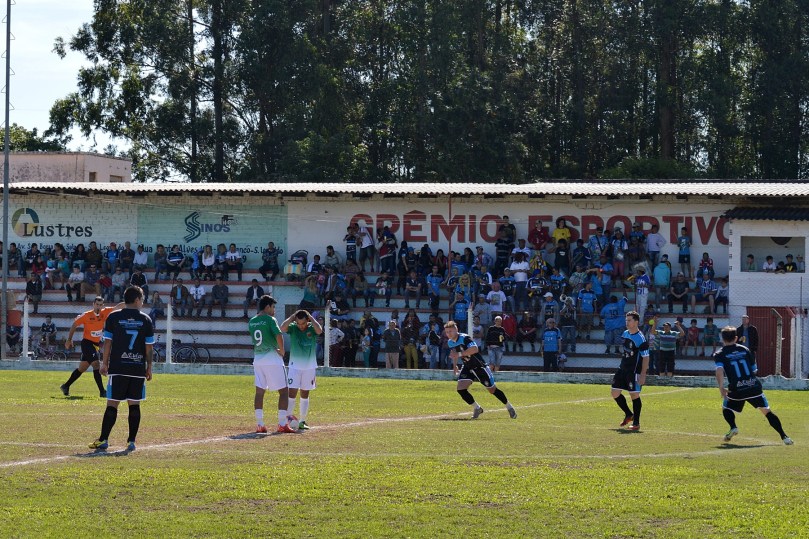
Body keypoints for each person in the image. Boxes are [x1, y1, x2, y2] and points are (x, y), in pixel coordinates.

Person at [88, 286, 154, 452]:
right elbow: (149, 348)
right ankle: (131, 441)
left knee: (112, 404)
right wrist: (149, 367)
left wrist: (104, 363)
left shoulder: (114, 317)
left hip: (118, 367)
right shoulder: (146, 319)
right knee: (134, 405)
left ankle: (103, 439)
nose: (143, 302)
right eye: (142, 299)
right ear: (137, 300)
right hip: (137, 367)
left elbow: (107, 342)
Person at [714, 326, 793, 445]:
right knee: (767, 411)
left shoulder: (719, 354)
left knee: (726, 408)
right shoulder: (745, 350)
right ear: (736, 338)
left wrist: (721, 387)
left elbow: (719, 370)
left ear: (722, 339)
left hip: (737, 388)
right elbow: (754, 370)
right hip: (753, 386)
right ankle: (784, 437)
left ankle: (733, 427)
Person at [446, 320, 517, 420]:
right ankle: (477, 408)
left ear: (456, 330)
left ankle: (509, 407)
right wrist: (454, 365)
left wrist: (459, 354)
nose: (449, 334)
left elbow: (475, 349)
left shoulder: (464, 338)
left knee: (492, 390)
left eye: (451, 331)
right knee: (461, 389)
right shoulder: (450, 342)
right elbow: (454, 353)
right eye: (447, 332)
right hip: (468, 367)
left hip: (479, 366)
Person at [61, 297, 123, 397]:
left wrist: (129, 302)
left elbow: (117, 307)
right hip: (87, 344)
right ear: (93, 304)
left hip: (95, 345)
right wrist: (69, 339)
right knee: (96, 364)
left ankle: (66, 386)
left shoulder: (104, 312)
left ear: (102, 305)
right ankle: (102, 391)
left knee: (82, 369)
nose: (98, 307)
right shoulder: (86, 315)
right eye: (97, 304)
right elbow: (74, 325)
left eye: (100, 305)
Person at [248, 295, 293, 433]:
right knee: (284, 392)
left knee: (259, 392)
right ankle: (282, 423)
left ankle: (260, 424)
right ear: (267, 306)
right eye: (273, 307)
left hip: (258, 359)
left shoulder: (252, 321)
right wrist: (282, 350)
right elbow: (278, 335)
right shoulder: (270, 319)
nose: (274, 310)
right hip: (272, 358)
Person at [281, 310, 323, 430]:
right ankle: (288, 419)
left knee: (305, 393)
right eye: (298, 323)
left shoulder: (311, 328)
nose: (301, 326)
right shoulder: (293, 328)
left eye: (303, 323)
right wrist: (291, 317)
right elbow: (282, 328)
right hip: (294, 367)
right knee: (292, 393)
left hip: (309, 367)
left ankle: (302, 420)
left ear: (308, 321)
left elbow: (319, 330)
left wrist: (311, 317)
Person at [611, 311, 649, 431]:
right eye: (626, 320)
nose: (626, 322)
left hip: (634, 371)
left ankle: (636, 422)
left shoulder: (641, 339)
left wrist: (643, 374)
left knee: (634, 395)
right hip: (622, 368)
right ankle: (629, 414)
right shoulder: (625, 333)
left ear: (636, 322)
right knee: (614, 393)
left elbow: (646, 357)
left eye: (629, 320)